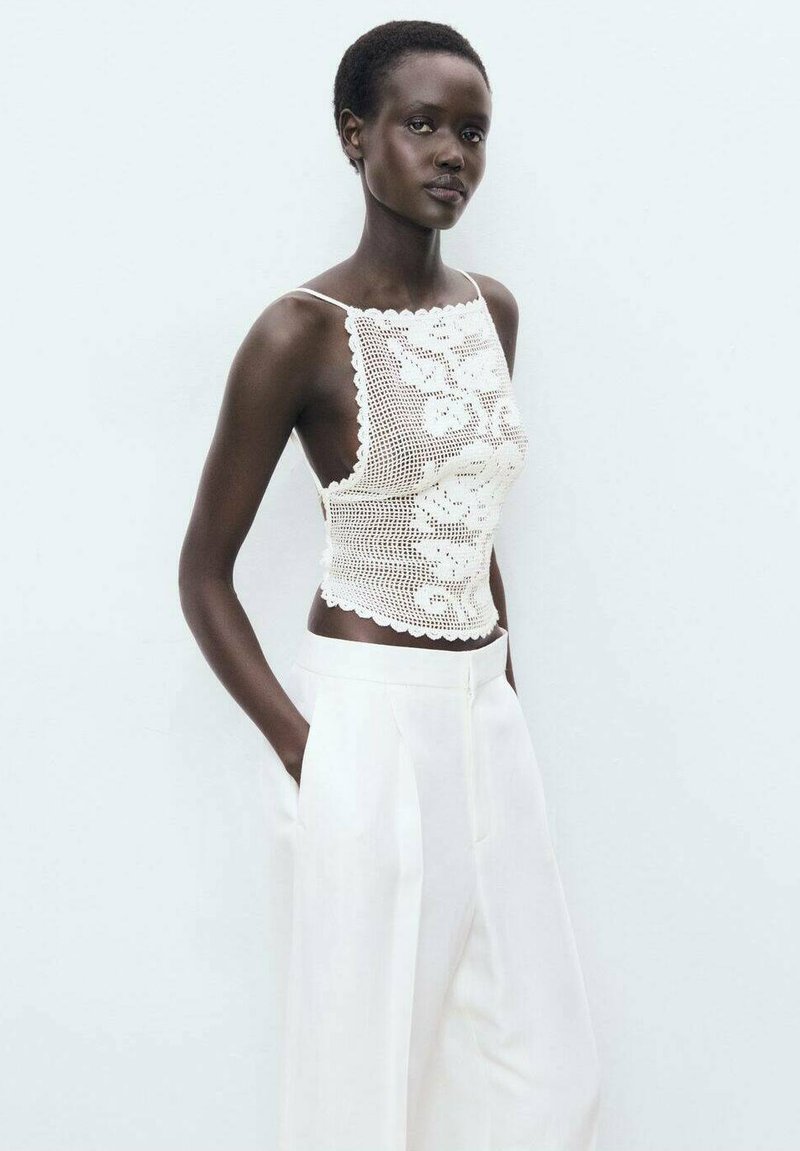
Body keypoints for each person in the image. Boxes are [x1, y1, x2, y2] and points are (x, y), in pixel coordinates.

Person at [178, 18, 601, 1151]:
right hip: (364, 720)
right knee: (362, 1073)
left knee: (545, 1069)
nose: (453, 153)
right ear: (354, 135)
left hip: (486, 718)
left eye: (473, 131)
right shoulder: (298, 332)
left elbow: (473, 519)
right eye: (423, 124)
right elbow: (203, 573)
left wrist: (505, 693)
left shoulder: (492, 311)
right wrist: (305, 751)